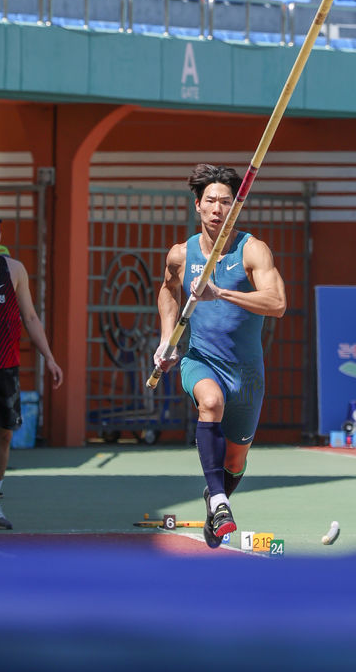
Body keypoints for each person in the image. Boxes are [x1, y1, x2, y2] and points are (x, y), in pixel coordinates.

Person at [154, 165, 286, 549]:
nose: (217, 208)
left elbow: (277, 303)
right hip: (201, 359)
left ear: (236, 206)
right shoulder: (181, 254)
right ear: (198, 205)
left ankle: (216, 497)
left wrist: (221, 293)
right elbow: (167, 290)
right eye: (210, 201)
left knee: (234, 460)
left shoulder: (252, 250)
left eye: (225, 201)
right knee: (209, 402)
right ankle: (221, 501)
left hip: (245, 372)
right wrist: (167, 341)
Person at [0, 210, 63, 531]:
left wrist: (51, 358)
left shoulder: (14, 270)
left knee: (3, 436)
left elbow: (30, 317)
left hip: (6, 368)